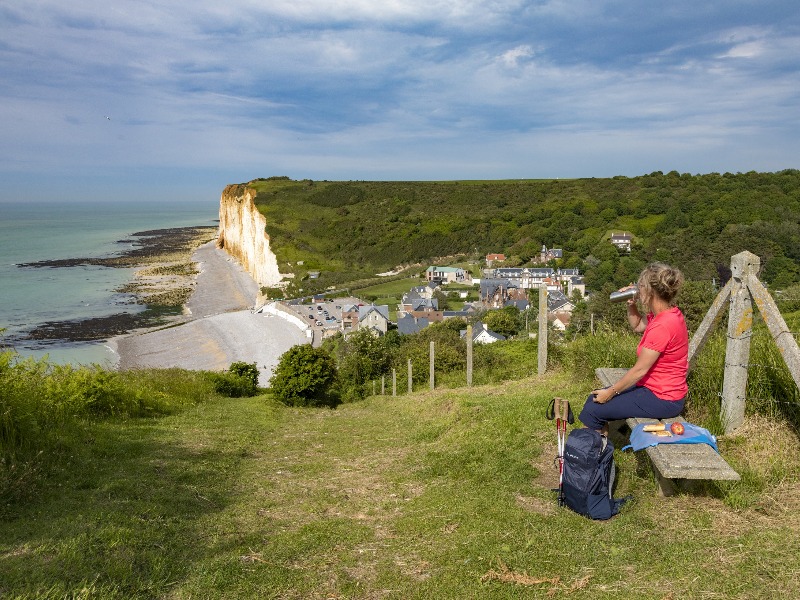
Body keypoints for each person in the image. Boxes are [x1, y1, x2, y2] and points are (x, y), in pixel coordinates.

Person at [579, 263, 688, 434]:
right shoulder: (666, 314)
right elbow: (637, 325)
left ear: (651, 291)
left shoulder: (662, 325)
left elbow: (639, 370)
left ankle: (592, 457)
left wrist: (611, 392)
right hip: (658, 390)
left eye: (641, 286)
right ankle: (599, 450)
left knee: (593, 410)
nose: (638, 290)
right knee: (593, 400)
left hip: (663, 398)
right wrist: (631, 304)